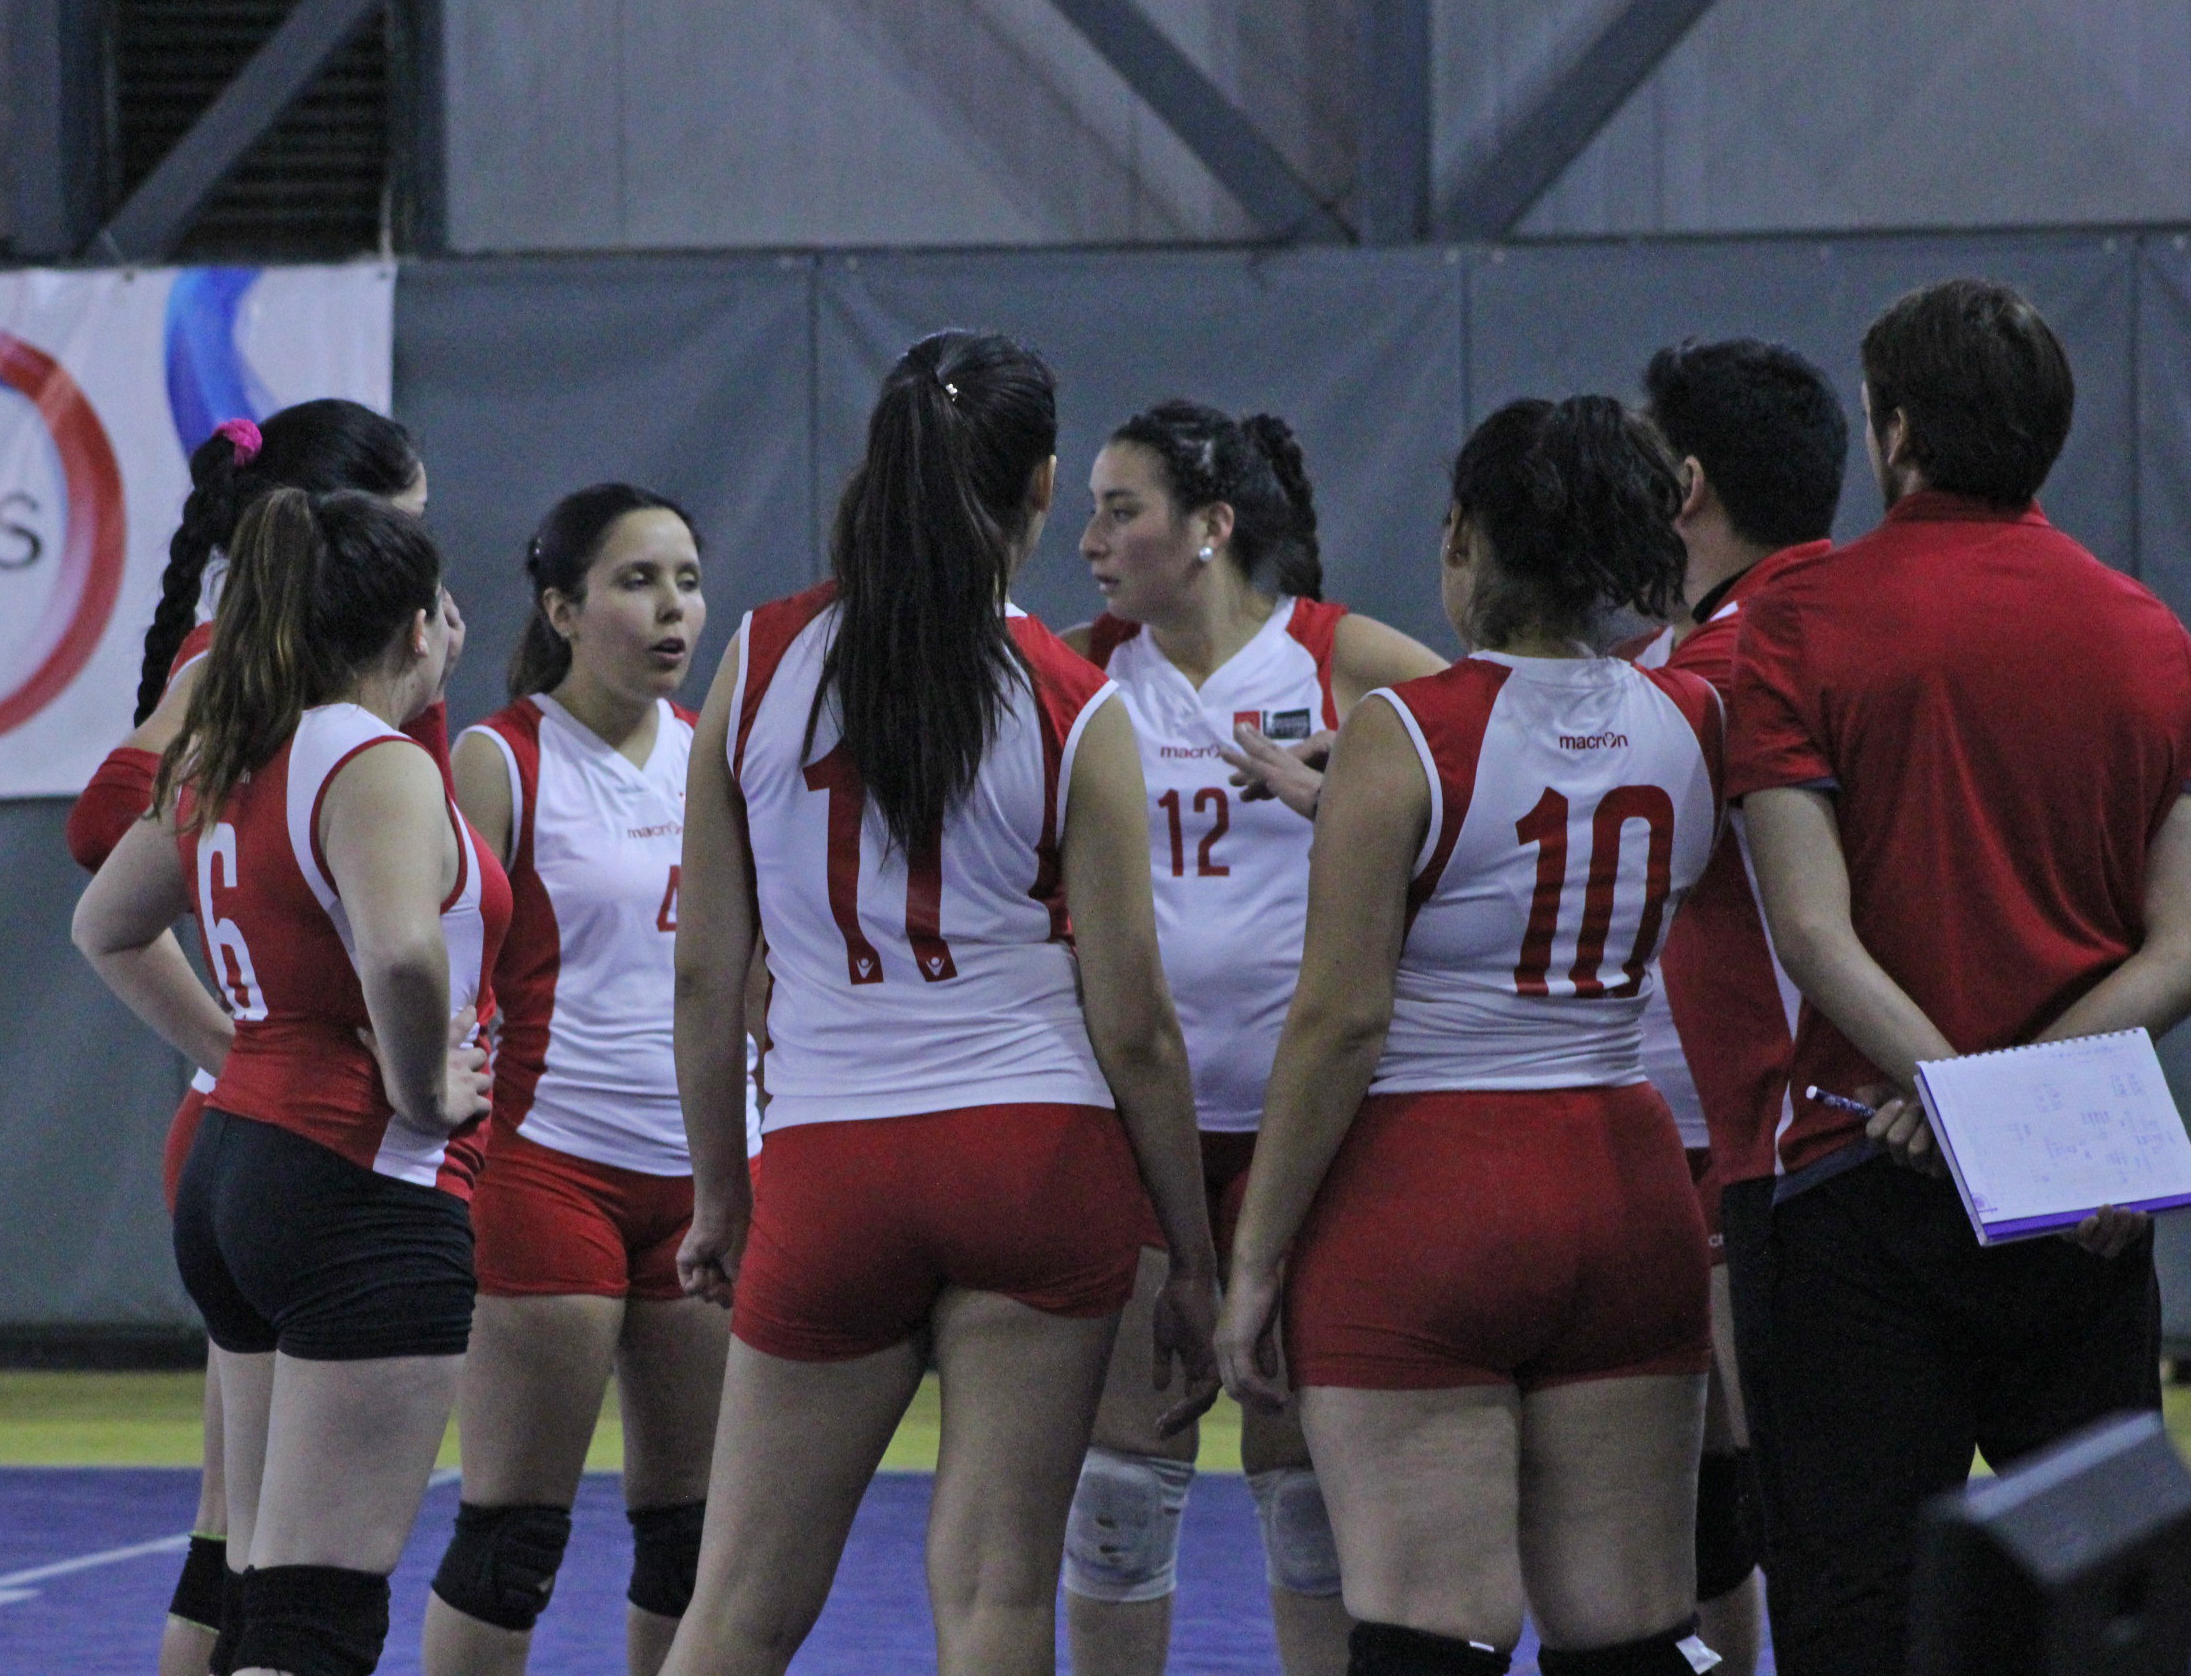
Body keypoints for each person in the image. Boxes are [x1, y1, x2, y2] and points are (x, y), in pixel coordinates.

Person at [661, 330, 1220, 1676]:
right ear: (1043, 487)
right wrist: (1195, 1256)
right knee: (996, 1600)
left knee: (736, 1611)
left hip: (832, 1160)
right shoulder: (1075, 702)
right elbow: (1136, 1024)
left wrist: (719, 1194)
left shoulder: (760, 660)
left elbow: (703, 974)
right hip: (1035, 1152)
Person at [1728, 278, 2191, 1676]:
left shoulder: (1800, 621)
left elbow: (1811, 933)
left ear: (1895, 434)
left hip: (1866, 1177)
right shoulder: (2157, 642)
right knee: (2087, 1615)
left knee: (1855, 1615)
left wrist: (1962, 1106)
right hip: (2084, 1201)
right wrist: (2022, 1118)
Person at [1219, 396, 1726, 1676]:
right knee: (1634, 1635)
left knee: (1431, 1631)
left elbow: (1340, 1023)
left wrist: (1256, 1259)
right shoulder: (1695, 719)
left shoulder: (1401, 734)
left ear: (1462, 536)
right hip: (1626, 1183)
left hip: (1433, 1192)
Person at [75, 487, 507, 1676]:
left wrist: (245, 1050)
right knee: (317, 1614)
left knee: (261, 1586)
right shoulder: (372, 759)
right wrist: (423, 1093)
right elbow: (402, 953)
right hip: (358, 1185)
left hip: (241, 1165)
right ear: (418, 627)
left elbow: (105, 927)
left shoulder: (237, 747)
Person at [1061, 399, 1443, 1676]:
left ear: (1211, 527)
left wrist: (1351, 801)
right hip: (1136, 1127)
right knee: (1121, 1493)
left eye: (1122, 512)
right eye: (1090, 510)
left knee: (1308, 1494)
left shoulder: (1345, 660)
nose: (1090, 541)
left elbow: (1500, 783)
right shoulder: (1077, 676)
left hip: (1314, 1129)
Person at [423, 485, 740, 1676]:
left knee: (692, 1539)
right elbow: (441, 976)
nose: (673, 609)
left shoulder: (715, 754)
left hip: (703, 1177)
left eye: (687, 582)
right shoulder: (500, 760)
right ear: (561, 609)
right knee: (512, 1540)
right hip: (550, 1168)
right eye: (637, 581)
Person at [1625, 338, 1849, 1670]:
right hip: (1807, 1114)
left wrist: (1374, 785)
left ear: (1688, 484)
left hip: (1779, 1133)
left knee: (1781, 1492)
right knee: (1747, 1485)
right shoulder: (1835, 623)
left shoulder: (1722, 670)